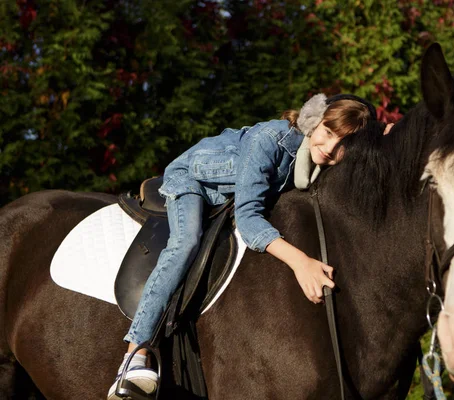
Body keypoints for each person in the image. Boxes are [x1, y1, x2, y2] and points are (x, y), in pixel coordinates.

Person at [107, 93, 378, 400]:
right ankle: (134, 357)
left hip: (230, 194)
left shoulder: (316, 159)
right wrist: (300, 261)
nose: (330, 149)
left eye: (342, 145)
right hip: (195, 182)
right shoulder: (270, 140)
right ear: (314, 121)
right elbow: (249, 219)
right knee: (186, 242)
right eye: (328, 133)